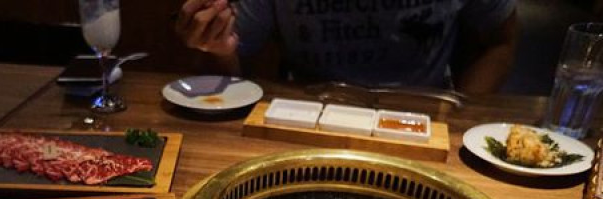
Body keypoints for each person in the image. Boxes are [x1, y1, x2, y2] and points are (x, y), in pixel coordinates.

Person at [174, 0, 517, 93]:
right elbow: (230, 55)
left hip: (422, 115)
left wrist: (460, 115)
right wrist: (214, 45)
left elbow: (501, 43)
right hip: (308, 118)